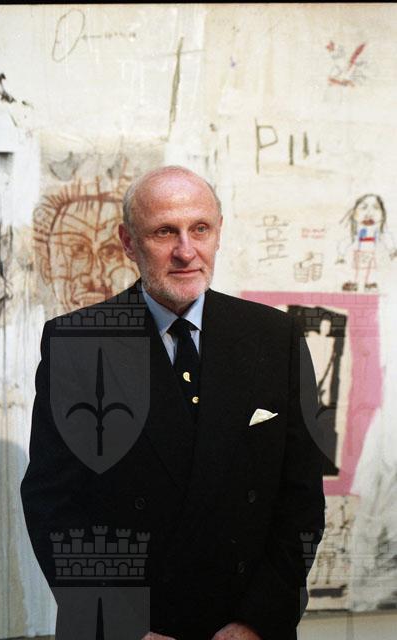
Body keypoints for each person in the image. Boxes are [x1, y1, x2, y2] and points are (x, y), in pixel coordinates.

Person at [21, 166, 325, 640]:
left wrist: (257, 620)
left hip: (246, 623)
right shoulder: (78, 343)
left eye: (199, 229)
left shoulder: (274, 336)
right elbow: (53, 505)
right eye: (164, 232)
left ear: (218, 232)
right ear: (128, 242)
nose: (186, 251)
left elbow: (302, 498)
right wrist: (124, 627)